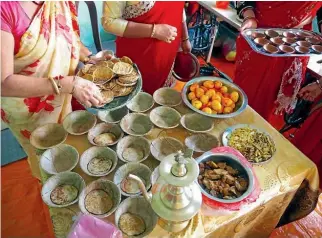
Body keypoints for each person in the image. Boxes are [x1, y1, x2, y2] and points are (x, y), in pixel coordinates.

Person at [1, 1, 105, 179]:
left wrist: (89, 58)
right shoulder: (5, 10)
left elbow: (65, 34)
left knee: (67, 145)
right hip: (28, 109)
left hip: (61, 98)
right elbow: (3, 83)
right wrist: (68, 84)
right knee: (45, 159)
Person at [234, 2, 322, 170]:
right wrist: (249, 16)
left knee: (273, 111)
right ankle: (234, 147)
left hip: (294, 43)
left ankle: (256, 156)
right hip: (259, 39)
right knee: (246, 101)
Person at [101, 1, 192, 94]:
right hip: (139, 54)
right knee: (139, 99)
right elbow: (109, 22)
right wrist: (154, 31)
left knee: (164, 96)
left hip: (169, 50)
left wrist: (185, 37)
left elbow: (179, 8)